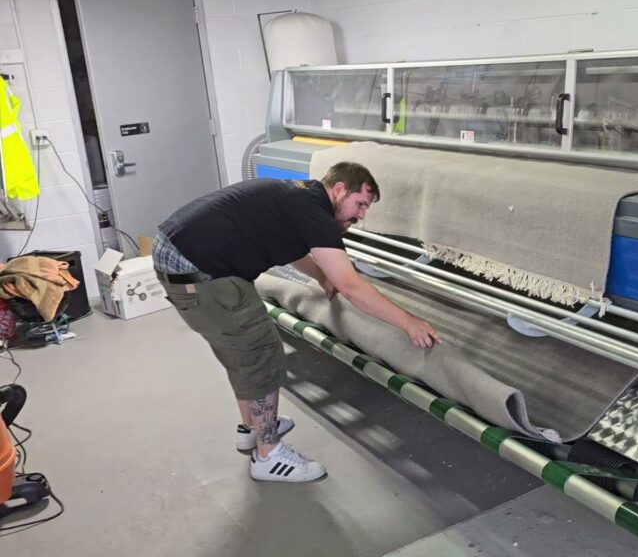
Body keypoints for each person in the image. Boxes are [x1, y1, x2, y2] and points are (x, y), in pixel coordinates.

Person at [152, 162, 442, 483]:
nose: (361, 216)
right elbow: (351, 286)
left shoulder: (297, 197)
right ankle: (268, 455)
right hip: (202, 272)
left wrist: (320, 276)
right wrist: (409, 322)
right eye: (360, 204)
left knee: (239, 352)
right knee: (260, 354)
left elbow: (290, 247)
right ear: (339, 190)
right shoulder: (315, 211)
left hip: (178, 257)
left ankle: (252, 428)